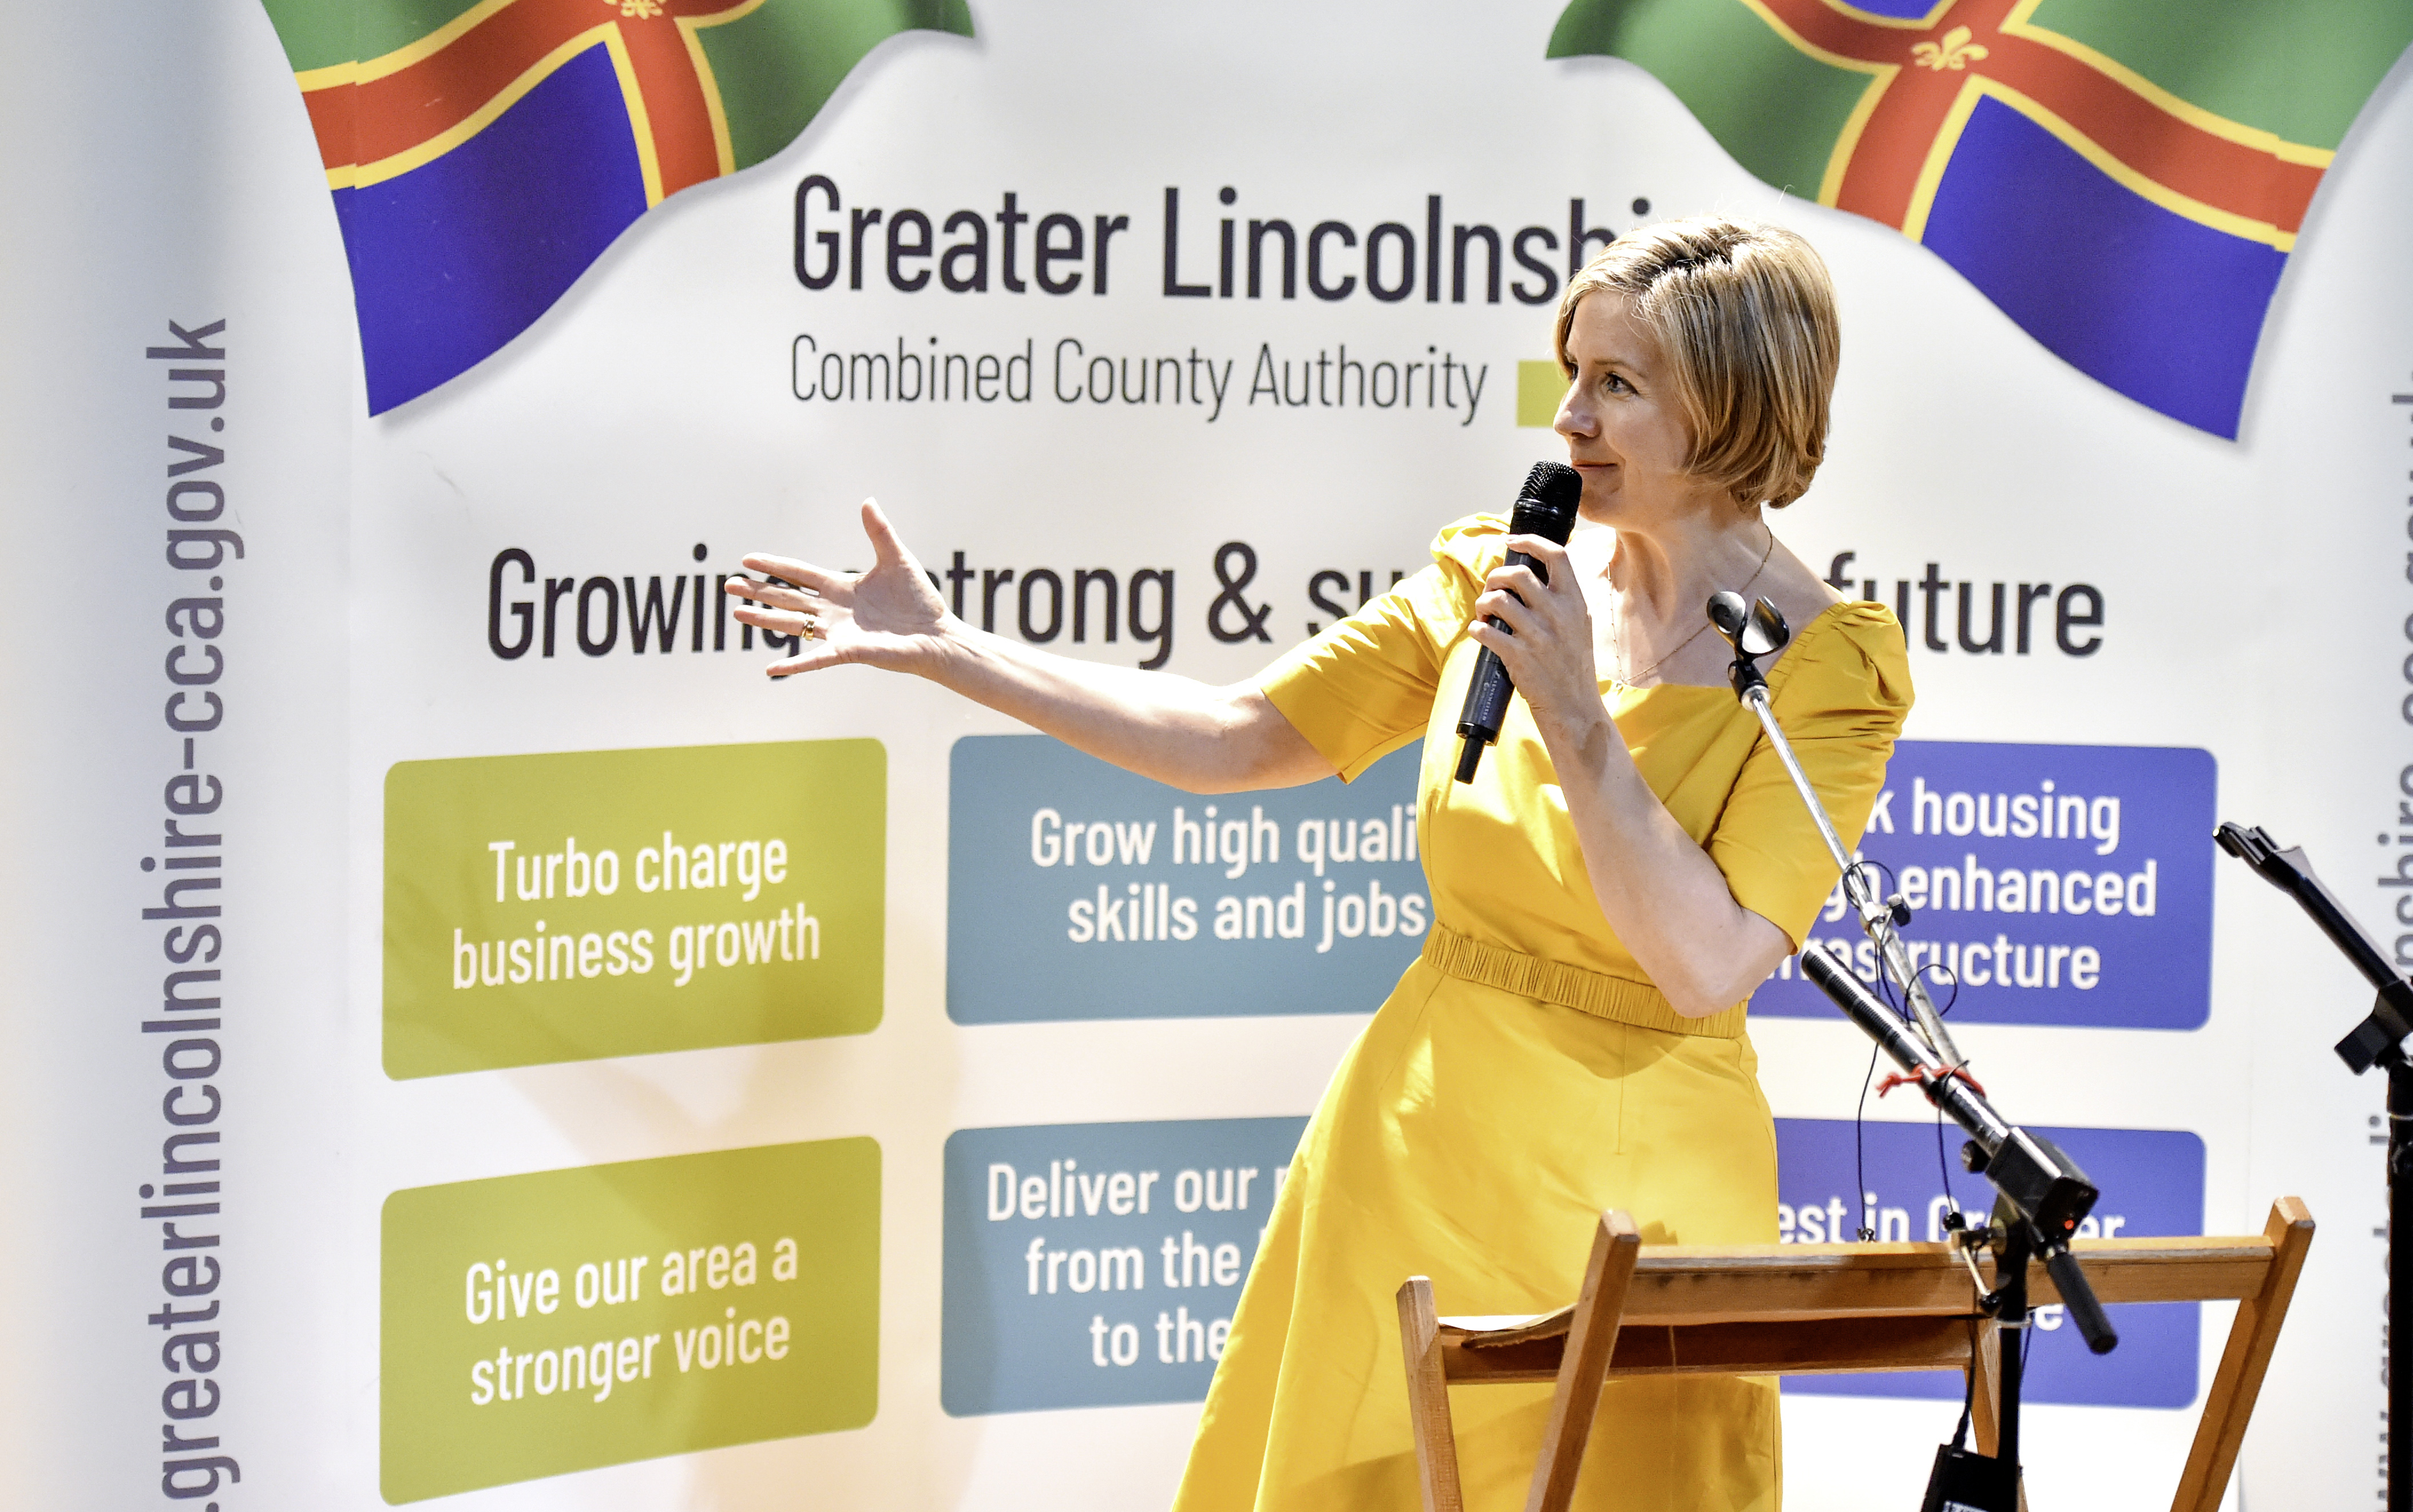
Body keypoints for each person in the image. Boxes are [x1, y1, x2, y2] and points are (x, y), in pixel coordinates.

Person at [727, 217, 1911, 1511]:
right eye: (1569, 371)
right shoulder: (1498, 576)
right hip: (1414, 1158)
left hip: (1649, 1202)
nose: (1566, 416)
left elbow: (1702, 958)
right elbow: (1238, 740)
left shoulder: (1828, 667)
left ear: (1732, 406)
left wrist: (1573, 714)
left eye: (1614, 385)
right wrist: (954, 651)